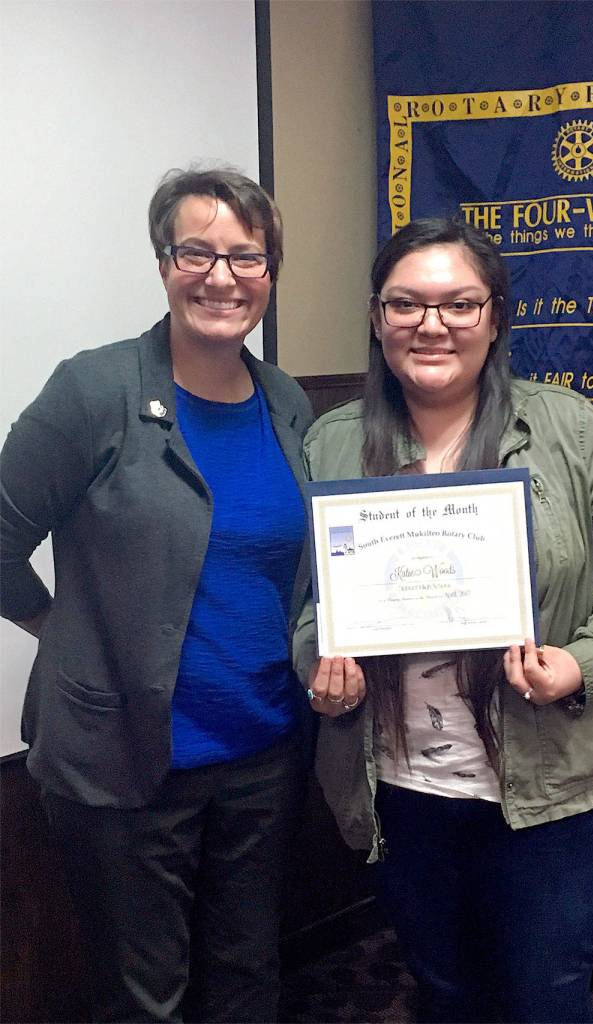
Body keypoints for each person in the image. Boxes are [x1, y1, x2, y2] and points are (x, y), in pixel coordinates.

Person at [293, 218, 593, 1024]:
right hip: (401, 790)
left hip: (552, 792)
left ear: (494, 318)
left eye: (458, 305)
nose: (431, 325)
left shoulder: (567, 430)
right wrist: (320, 672)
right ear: (377, 319)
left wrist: (583, 662)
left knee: (543, 999)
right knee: (446, 994)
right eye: (407, 304)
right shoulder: (331, 443)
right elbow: (309, 605)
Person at [0, 167, 314, 1022]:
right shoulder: (93, 391)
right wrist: (61, 628)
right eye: (197, 252)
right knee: (145, 1000)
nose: (222, 276)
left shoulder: (286, 403)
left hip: (263, 753)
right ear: (164, 262)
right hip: (124, 767)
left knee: (249, 975)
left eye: (247, 256)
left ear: (271, 272)